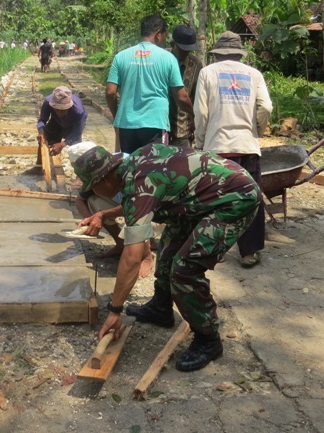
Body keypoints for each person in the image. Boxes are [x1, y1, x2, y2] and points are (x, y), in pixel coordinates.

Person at [72, 144, 260, 372]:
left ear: (103, 182)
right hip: (204, 197)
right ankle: (161, 308)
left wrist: (115, 310)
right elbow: (142, 199)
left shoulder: (138, 184)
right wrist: (104, 213)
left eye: (93, 189)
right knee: (168, 251)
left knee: (184, 269)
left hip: (234, 199)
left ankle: (208, 339)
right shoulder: (134, 166)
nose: (94, 194)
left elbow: (131, 259)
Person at [193, 31, 272, 268]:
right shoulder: (254, 74)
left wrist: (200, 142)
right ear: (239, 53)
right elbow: (266, 107)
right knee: (251, 199)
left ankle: (210, 248)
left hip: (218, 147)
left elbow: (202, 113)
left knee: (214, 199)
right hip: (247, 147)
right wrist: (256, 128)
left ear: (217, 53)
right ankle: (249, 252)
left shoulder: (208, 73)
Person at [106, 14, 193, 154]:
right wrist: (193, 114)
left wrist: (117, 116)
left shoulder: (120, 57)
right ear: (158, 34)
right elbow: (181, 97)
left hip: (126, 124)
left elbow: (110, 92)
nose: (165, 39)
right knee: (153, 168)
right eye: (164, 35)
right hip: (155, 124)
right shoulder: (168, 59)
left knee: (129, 166)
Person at [67, 143, 155, 276]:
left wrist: (102, 215)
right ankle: (121, 245)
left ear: (104, 180)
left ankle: (147, 255)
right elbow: (80, 200)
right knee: (94, 202)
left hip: (159, 207)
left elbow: (137, 208)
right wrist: (89, 219)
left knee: (133, 222)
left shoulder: (132, 173)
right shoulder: (99, 168)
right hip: (133, 202)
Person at [168, 25, 203, 148]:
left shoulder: (196, 65)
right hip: (160, 127)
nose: (185, 52)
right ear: (173, 45)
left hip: (182, 128)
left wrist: (194, 123)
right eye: (182, 49)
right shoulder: (163, 58)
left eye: (189, 50)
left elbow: (197, 96)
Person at [37, 86, 88, 156]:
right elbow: (42, 120)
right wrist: (41, 132)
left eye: (63, 110)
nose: (59, 113)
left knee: (76, 149)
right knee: (46, 142)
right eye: (57, 109)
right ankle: (41, 164)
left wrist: (62, 144)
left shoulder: (78, 111)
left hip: (72, 124)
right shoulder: (47, 102)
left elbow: (76, 134)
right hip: (55, 122)